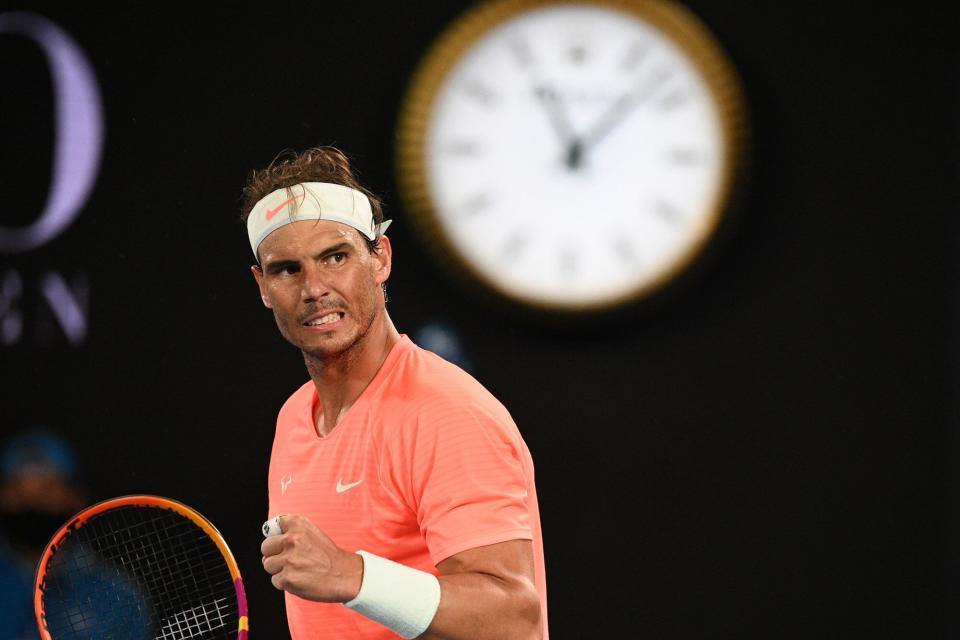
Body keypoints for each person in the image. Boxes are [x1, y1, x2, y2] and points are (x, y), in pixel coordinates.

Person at [242, 146, 548, 639]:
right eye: (287, 269)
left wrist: (351, 574)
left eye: (335, 257)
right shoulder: (294, 417)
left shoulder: (447, 411)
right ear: (262, 285)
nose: (314, 288)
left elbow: (512, 620)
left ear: (380, 258)